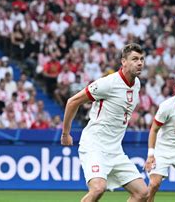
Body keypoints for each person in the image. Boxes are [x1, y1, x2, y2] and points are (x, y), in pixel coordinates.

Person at [61, 43, 148, 202]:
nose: (140, 62)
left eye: (142, 59)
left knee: (142, 193)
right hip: (95, 145)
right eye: (135, 59)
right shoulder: (108, 83)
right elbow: (72, 102)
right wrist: (65, 133)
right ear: (124, 62)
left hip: (115, 150)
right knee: (98, 188)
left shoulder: (136, 84)